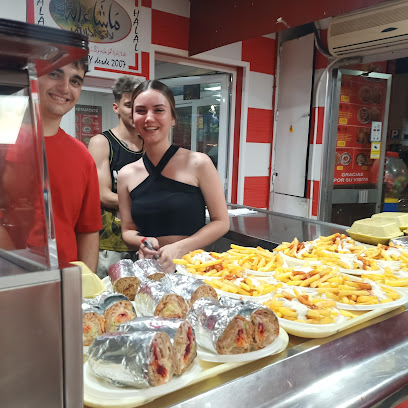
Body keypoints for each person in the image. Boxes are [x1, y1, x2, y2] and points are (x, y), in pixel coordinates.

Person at [117, 80, 230, 273]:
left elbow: (221, 222)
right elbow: (128, 230)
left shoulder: (199, 163)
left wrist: (180, 247)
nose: (149, 118)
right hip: (150, 270)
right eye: (141, 111)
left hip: (194, 269)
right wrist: (143, 241)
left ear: (172, 118)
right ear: (133, 118)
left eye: (158, 110)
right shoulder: (126, 174)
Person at [2, 57, 102, 272]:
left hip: (64, 282)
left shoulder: (82, 157)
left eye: (75, 81)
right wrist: (18, 271)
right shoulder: (5, 142)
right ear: (33, 77)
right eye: (55, 74)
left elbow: (87, 230)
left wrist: (85, 283)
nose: (65, 88)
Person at [88, 76, 144, 278]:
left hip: (145, 241)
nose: (135, 111)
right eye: (128, 105)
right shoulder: (102, 143)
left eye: (140, 106)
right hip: (111, 245)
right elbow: (102, 195)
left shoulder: (150, 145)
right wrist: (149, 203)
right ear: (116, 107)